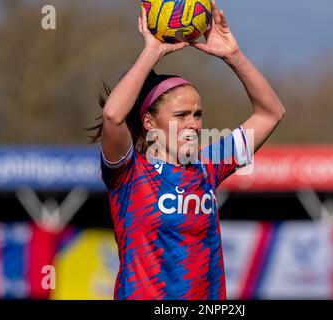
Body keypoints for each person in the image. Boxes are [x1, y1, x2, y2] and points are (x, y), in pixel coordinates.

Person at [90, 0, 285, 300]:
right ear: (149, 122)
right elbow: (113, 116)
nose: (193, 124)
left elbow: (270, 113)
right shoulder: (129, 175)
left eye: (197, 114)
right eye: (181, 116)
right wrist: (152, 51)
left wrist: (233, 56)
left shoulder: (208, 166)